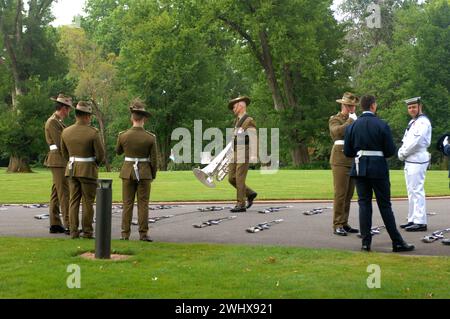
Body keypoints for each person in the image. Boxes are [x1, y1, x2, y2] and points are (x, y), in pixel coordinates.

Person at [343, 95, 415, 252]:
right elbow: (390, 151)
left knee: (364, 204)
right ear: (373, 106)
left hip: (360, 168)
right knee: (384, 205)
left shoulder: (352, 127)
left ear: (362, 106)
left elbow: (348, 152)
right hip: (378, 169)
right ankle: (396, 241)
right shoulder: (382, 124)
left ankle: (365, 242)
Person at [60, 101, 105, 239]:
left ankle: (73, 231)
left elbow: (64, 153)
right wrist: (94, 163)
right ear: (86, 116)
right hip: (88, 170)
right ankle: (87, 231)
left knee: (73, 201)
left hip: (72, 170)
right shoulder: (93, 133)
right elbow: (100, 155)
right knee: (88, 202)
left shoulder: (66, 131)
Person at [116, 99, 158, 242]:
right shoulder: (150, 138)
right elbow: (154, 160)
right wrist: (153, 174)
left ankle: (125, 234)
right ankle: (143, 234)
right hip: (144, 172)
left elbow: (118, 151)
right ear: (144, 118)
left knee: (127, 204)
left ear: (131, 118)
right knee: (143, 204)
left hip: (127, 171)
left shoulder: (123, 135)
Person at [397, 97, 432, 232]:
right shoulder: (413, 121)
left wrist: (403, 153)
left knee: (417, 190)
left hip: (417, 158)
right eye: (409, 107)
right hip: (411, 159)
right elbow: (406, 140)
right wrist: (403, 151)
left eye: (414, 107)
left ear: (420, 107)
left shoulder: (422, 122)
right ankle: (412, 218)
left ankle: (420, 221)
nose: (411, 109)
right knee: (411, 191)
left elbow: (416, 142)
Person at [329, 92, 359, 236]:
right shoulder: (335, 119)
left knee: (348, 194)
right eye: (348, 106)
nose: (351, 109)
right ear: (342, 105)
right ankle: (337, 224)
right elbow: (337, 133)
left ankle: (344, 222)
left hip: (353, 159)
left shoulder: (356, 119)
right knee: (340, 194)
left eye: (352, 106)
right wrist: (350, 121)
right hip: (340, 159)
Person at [44, 94, 73, 235]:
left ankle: (55, 223)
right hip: (58, 160)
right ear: (63, 108)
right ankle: (68, 224)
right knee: (64, 193)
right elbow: (60, 143)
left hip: (59, 160)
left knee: (56, 192)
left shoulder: (58, 121)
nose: (69, 112)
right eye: (68, 109)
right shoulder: (52, 122)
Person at [227, 96, 258, 213]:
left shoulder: (248, 120)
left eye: (234, 107)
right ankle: (250, 193)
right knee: (231, 178)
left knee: (239, 178)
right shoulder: (236, 121)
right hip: (235, 151)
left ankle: (241, 204)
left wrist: (254, 154)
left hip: (244, 151)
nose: (233, 109)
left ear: (240, 106)